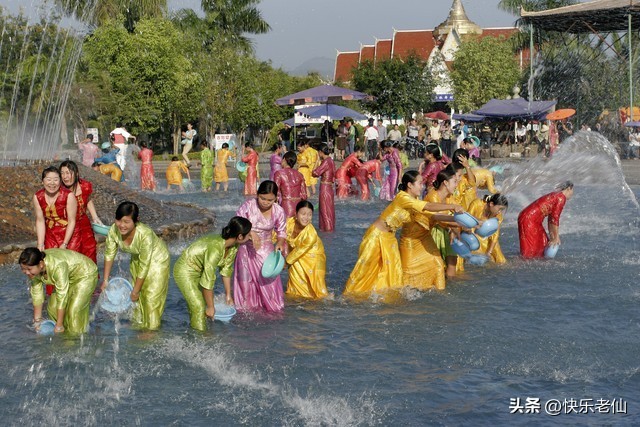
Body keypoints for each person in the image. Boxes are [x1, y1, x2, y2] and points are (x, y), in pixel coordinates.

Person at [343, 171, 462, 297]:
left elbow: (431, 215)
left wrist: (456, 220)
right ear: (410, 185)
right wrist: (452, 206)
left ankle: (383, 298)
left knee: (393, 273)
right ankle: (348, 297)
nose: (422, 186)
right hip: (376, 236)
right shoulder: (403, 198)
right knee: (365, 270)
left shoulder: (414, 200)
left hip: (389, 238)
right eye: (419, 183)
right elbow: (427, 206)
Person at [173, 217, 252, 331]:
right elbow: (208, 279)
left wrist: (228, 295)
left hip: (201, 270)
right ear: (240, 236)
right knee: (199, 306)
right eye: (248, 234)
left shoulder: (234, 246)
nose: (250, 237)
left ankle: (196, 329)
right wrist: (211, 307)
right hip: (185, 270)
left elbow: (226, 270)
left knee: (201, 304)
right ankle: (201, 336)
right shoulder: (216, 247)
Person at [101, 201, 170, 330]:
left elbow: (145, 266)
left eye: (126, 222)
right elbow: (109, 254)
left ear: (136, 221)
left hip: (157, 259)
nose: (122, 225)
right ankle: (139, 325)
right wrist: (105, 280)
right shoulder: (113, 230)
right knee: (136, 300)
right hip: (137, 258)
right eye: (119, 220)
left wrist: (136, 290)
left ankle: (151, 330)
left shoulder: (145, 234)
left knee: (150, 297)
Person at [233, 180, 287, 313]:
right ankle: (247, 310)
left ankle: (272, 311)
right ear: (257, 194)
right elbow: (236, 224)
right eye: (262, 198)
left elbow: (281, 231)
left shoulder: (278, 211)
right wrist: (250, 232)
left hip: (265, 251)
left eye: (270, 200)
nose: (265, 202)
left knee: (268, 281)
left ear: (276, 198)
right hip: (245, 250)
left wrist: (280, 243)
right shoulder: (248, 206)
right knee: (245, 283)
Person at [19, 247, 97, 334]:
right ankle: (63, 331)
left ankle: (76, 337)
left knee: (74, 311)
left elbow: (62, 296)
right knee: (52, 308)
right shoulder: (34, 271)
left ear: (40, 264)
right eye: (23, 269)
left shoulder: (57, 266)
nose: (26, 272)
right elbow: (37, 296)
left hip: (85, 274)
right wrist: (37, 322)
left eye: (29, 269)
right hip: (67, 276)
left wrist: (59, 325)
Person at [518, 181, 574, 258]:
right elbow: (555, 218)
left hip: (531, 219)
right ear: (568, 188)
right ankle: (522, 262)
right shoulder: (561, 198)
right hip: (529, 219)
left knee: (543, 243)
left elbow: (551, 220)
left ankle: (532, 261)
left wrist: (553, 237)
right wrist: (556, 238)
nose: (572, 193)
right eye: (572, 190)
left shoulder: (556, 195)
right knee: (531, 251)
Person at [59, 160, 101, 264]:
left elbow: (88, 199)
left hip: (83, 223)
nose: (65, 177)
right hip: (67, 226)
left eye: (68, 173)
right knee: (72, 255)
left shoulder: (85, 186)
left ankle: (91, 272)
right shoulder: (59, 190)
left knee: (90, 251)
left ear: (76, 173)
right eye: (62, 173)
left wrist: (95, 217)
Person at [285, 201, 328, 299]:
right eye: (303, 214)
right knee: (295, 284)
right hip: (295, 255)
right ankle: (295, 300)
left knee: (317, 290)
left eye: (309, 215)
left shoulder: (311, 234)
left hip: (314, 258)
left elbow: (300, 250)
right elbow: (277, 234)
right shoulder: (289, 223)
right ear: (296, 214)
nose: (306, 217)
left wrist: (286, 262)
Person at [425, 168, 462, 278]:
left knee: (452, 261)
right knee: (437, 266)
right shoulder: (432, 196)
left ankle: (453, 285)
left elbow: (460, 212)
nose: (457, 185)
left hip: (447, 230)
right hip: (432, 232)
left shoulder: (448, 197)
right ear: (445, 183)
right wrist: (462, 224)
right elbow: (440, 219)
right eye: (454, 182)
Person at [33, 166, 77, 256]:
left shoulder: (68, 195)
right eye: (48, 179)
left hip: (69, 235)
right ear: (42, 181)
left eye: (56, 180)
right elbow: (40, 220)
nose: (52, 183)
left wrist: (65, 243)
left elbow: (72, 221)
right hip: (50, 235)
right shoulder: (38, 196)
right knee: (50, 260)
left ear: (60, 182)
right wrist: (40, 244)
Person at [467, 194, 508, 264]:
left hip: (489, 239)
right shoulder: (476, 204)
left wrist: (489, 251)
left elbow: (495, 234)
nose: (500, 212)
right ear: (491, 204)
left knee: (501, 261)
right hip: (472, 234)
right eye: (500, 209)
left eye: (502, 210)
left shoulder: (498, 216)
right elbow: (467, 219)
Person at [274, 151, 307, 218]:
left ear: (284, 159)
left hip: (286, 205)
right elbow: (304, 196)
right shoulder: (300, 174)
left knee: (286, 223)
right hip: (299, 206)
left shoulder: (279, 173)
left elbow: (276, 192)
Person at [312, 144, 336, 231]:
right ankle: (328, 230)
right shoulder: (331, 161)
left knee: (325, 211)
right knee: (329, 211)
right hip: (329, 188)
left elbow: (315, 173)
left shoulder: (326, 161)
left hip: (325, 188)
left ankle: (328, 231)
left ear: (321, 152)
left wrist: (316, 162)